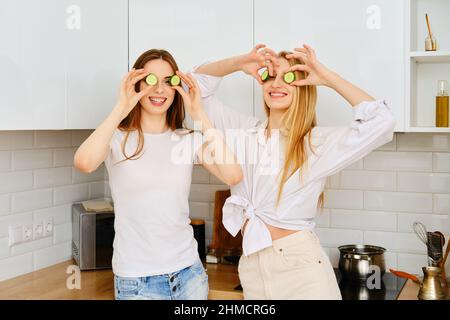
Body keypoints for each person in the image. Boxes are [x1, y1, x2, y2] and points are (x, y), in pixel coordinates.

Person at [192, 44, 396, 299]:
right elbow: (195, 87)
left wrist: (327, 78)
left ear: (303, 87)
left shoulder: (313, 143)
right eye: (269, 76)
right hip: (253, 271)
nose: (276, 84)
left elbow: (382, 121)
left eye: (288, 77)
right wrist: (238, 63)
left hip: (302, 272)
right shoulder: (243, 131)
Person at [73, 49, 243, 300]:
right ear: (137, 83)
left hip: (189, 275)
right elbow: (84, 163)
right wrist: (121, 106)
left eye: (168, 81)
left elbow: (233, 175)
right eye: (151, 80)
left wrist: (200, 116)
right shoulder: (117, 138)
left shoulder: (187, 140)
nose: (160, 90)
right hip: (137, 281)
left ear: (177, 88)